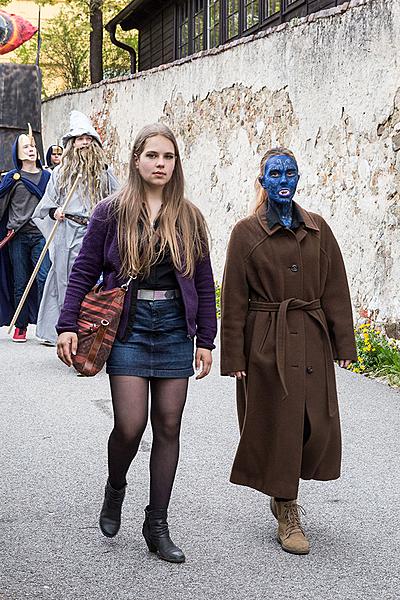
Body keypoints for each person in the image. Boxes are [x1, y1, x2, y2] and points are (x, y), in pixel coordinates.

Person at [56, 123, 217, 563]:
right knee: (129, 425)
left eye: (167, 157)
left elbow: (203, 281)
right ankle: (116, 487)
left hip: (173, 330)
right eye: (152, 156)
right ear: (136, 159)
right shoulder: (111, 212)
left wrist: (207, 338)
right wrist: (67, 324)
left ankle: (157, 523)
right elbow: (84, 270)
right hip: (127, 325)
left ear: (175, 163)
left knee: (169, 426)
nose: (160, 164)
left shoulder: (189, 217)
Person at [220, 148, 357, 555]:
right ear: (261, 181)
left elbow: (335, 287)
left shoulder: (318, 228)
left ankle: (284, 488)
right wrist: (235, 357)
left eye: (290, 172)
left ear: (298, 179)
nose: (283, 179)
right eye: (275, 173)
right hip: (267, 340)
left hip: (312, 338)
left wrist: (342, 342)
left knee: (318, 424)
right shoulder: (246, 232)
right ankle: (286, 507)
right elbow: (234, 297)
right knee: (278, 425)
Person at [32, 110, 119, 345]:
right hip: (66, 233)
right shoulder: (60, 173)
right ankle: (66, 332)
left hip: (94, 232)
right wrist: (55, 212)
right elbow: (45, 207)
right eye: (80, 139)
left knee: (93, 284)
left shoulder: (104, 172)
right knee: (65, 282)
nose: (84, 143)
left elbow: (119, 200)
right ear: (72, 143)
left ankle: (91, 333)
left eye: (88, 139)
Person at [0, 124, 51, 341]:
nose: (31, 149)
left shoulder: (48, 177)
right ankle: (20, 325)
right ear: (17, 152)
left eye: (33, 145)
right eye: (25, 146)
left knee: (43, 278)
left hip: (41, 235)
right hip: (18, 236)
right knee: (20, 281)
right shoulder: (13, 178)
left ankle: (43, 324)